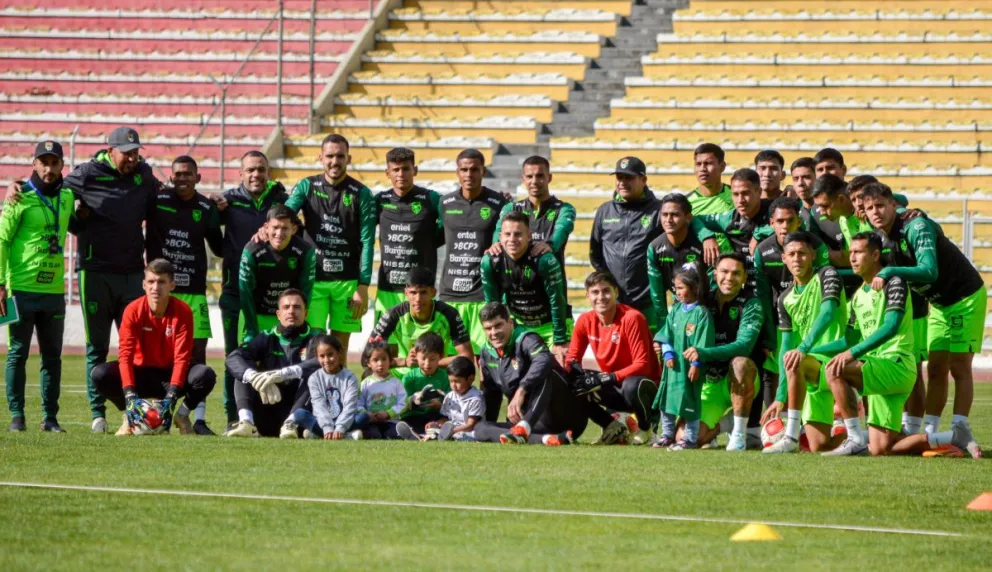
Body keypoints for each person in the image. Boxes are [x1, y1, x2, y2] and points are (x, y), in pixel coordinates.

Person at [6, 127, 164, 433]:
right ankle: (97, 414)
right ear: (111, 150)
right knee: (96, 347)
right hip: (93, 273)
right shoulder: (87, 173)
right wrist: (18, 186)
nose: (132, 158)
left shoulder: (144, 174)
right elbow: (48, 186)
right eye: (127, 153)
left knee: (137, 345)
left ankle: (138, 410)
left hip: (133, 273)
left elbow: (165, 195)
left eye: (136, 153)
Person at [862, 183, 985, 458]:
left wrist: (891, 269)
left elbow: (929, 271)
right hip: (939, 303)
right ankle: (931, 432)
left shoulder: (915, 226)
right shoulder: (880, 234)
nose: (875, 212)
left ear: (894, 205)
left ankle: (961, 428)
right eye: (870, 208)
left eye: (881, 205)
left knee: (959, 365)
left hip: (964, 297)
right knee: (936, 366)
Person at [812, 233, 917, 456]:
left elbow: (891, 328)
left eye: (858, 252)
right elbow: (848, 341)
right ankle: (948, 439)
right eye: (851, 253)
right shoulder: (858, 297)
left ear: (876, 254)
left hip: (896, 364)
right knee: (882, 448)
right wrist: (808, 350)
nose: (852, 258)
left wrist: (851, 353)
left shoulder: (895, 282)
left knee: (834, 369)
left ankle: (854, 438)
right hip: (878, 367)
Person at [92, 259, 217, 436]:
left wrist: (172, 396)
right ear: (144, 284)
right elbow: (125, 355)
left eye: (161, 282)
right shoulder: (132, 310)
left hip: (168, 376)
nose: (155, 287)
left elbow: (182, 358)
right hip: (140, 375)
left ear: (172, 285)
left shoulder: (183, 311)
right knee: (99, 374)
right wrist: (129, 395)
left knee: (205, 375)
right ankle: (130, 416)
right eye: (151, 282)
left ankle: (181, 416)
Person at [1, 140, 75, 432]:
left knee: (52, 357)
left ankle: (50, 418)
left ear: (61, 165)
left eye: (54, 162)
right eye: (43, 162)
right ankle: (17, 417)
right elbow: (3, 241)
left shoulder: (67, 196)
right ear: (34, 164)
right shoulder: (18, 197)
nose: (48, 168)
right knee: (17, 353)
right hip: (19, 289)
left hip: (54, 291)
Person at [216, 150, 293, 427]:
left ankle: (276, 417)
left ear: (268, 172)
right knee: (233, 357)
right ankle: (232, 418)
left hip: (271, 298)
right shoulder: (229, 201)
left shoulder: (281, 201)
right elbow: (211, 233)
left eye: (261, 169)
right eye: (250, 170)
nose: (256, 175)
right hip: (235, 294)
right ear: (240, 173)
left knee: (277, 357)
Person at [283, 134, 375, 345]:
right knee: (314, 345)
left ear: (348, 159)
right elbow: (285, 215)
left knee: (339, 347)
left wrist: (363, 285)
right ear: (321, 157)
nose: (335, 161)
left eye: (340, 156)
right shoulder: (307, 186)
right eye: (330, 156)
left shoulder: (362, 193)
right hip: (314, 279)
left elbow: (367, 241)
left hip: (348, 282)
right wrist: (268, 227)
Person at [762, 232, 849, 454]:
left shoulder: (827, 275)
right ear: (784, 259)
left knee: (795, 360)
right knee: (819, 445)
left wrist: (802, 349)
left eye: (802, 253)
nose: (797, 258)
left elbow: (828, 313)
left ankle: (790, 436)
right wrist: (780, 397)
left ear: (812, 255)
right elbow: (785, 346)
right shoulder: (784, 299)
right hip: (809, 369)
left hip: (835, 361)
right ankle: (862, 438)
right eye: (791, 254)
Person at [753, 197, 830, 425]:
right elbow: (764, 295)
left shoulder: (815, 246)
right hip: (782, 317)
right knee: (774, 367)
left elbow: (822, 284)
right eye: (779, 221)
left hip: (811, 317)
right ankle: (775, 423)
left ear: (799, 221)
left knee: (806, 367)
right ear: (771, 222)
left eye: (790, 221)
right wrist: (767, 334)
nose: (785, 226)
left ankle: (809, 421)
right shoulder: (763, 250)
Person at [564, 271, 659, 445]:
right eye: (595, 292)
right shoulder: (585, 321)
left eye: (606, 291)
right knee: (573, 381)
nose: (601, 297)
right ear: (587, 296)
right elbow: (572, 358)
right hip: (614, 385)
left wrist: (607, 377)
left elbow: (642, 365)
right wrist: (571, 372)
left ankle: (647, 429)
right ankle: (612, 426)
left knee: (631, 385)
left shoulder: (632, 318)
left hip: (645, 389)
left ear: (616, 292)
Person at [473, 302, 587, 446]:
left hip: (565, 415)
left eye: (498, 325)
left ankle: (524, 428)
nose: (493, 333)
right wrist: (490, 425)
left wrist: (522, 390)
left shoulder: (526, 338)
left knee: (546, 370)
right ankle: (548, 439)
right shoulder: (486, 352)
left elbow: (543, 360)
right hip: (535, 424)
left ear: (510, 322)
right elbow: (492, 394)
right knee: (480, 429)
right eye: (488, 328)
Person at [224, 288, 321, 438]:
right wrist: (255, 377)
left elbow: (323, 362)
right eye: (286, 307)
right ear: (278, 314)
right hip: (268, 406)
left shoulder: (317, 338)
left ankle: (291, 423)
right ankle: (246, 423)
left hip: (301, 414)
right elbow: (233, 358)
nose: (291, 311)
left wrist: (282, 374)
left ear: (306, 313)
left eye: (297, 307)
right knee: (244, 372)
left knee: (314, 376)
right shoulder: (266, 337)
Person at [691, 253, 764, 450]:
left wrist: (704, 353)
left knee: (740, 362)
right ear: (715, 274)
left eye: (736, 273)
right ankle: (726, 425)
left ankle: (739, 435)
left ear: (745, 278)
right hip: (712, 382)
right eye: (724, 272)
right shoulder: (704, 300)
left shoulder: (752, 303)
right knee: (690, 438)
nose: (729, 278)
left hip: (742, 378)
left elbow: (743, 346)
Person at [438, 148, 508, 351]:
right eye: (464, 169)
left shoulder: (498, 204)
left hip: (482, 294)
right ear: (457, 172)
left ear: (483, 171)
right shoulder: (445, 203)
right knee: (451, 361)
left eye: (474, 169)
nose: (469, 174)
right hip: (450, 294)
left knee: (486, 358)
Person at [480, 211, 569, 357]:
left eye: (518, 234)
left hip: (551, 326)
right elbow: (492, 306)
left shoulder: (545, 260)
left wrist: (559, 340)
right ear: (500, 237)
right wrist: (495, 339)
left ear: (529, 236)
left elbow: (557, 301)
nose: (512, 239)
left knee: (559, 370)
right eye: (507, 234)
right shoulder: (490, 261)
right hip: (518, 325)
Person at [589, 156, 663, 331]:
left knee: (649, 355)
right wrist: (609, 289)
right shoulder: (604, 211)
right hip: (614, 304)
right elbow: (595, 255)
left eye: (628, 178)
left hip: (647, 303)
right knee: (615, 356)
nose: (622, 182)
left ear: (643, 180)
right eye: (619, 178)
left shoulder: (658, 211)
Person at [374, 147, 444, 321]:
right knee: (383, 346)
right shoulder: (380, 201)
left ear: (415, 170)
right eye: (395, 169)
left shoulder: (431, 199)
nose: (401, 174)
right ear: (387, 173)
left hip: (420, 291)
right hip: (388, 288)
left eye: (406, 168)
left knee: (422, 345)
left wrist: (427, 243)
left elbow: (449, 227)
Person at [367, 266, 474, 376]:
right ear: (406, 293)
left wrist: (427, 363)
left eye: (423, 292)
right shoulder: (393, 314)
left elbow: (467, 357)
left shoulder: (449, 313)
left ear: (433, 292)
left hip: (437, 376)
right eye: (413, 293)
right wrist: (404, 361)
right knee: (368, 376)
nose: (418, 299)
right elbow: (367, 358)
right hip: (404, 376)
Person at [652, 269, 714, 450]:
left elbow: (705, 342)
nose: (677, 292)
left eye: (681, 288)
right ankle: (667, 435)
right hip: (673, 369)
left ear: (694, 288)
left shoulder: (701, 313)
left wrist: (696, 364)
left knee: (690, 400)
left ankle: (690, 439)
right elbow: (666, 334)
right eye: (675, 288)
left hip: (689, 368)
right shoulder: (676, 310)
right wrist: (668, 353)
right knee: (667, 400)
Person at [239, 204, 316, 343]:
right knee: (252, 361)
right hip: (256, 315)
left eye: (285, 228)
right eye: (275, 227)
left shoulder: (305, 251)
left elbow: (306, 291)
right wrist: (251, 328)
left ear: (294, 229)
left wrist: (298, 321)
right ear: (266, 227)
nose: (279, 233)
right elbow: (245, 292)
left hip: (288, 316)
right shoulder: (252, 250)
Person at [490, 155, 576, 267]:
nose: (534, 181)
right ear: (523, 179)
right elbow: (499, 231)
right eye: (529, 176)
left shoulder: (564, 209)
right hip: (514, 280)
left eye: (539, 176)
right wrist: (496, 244)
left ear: (549, 178)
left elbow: (562, 230)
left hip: (551, 280)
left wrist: (550, 245)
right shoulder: (511, 208)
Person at [646, 192, 708, 331]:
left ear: (688, 217)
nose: (668, 220)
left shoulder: (702, 244)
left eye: (674, 215)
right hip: (679, 306)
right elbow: (657, 293)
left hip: (706, 308)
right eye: (664, 214)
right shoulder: (655, 247)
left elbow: (711, 282)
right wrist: (663, 324)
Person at [692, 168, 769, 269]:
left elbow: (790, 220)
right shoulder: (729, 219)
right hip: (741, 279)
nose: (740, 200)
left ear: (759, 192)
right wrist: (707, 237)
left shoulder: (775, 209)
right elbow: (693, 219)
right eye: (735, 194)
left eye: (745, 193)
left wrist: (759, 234)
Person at [290, 334, 359, 440]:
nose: (326, 360)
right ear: (317, 357)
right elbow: (319, 405)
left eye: (330, 354)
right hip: (322, 422)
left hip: (345, 421)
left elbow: (350, 405)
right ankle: (346, 436)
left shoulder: (350, 378)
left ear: (339, 353)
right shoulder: (314, 378)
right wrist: (327, 427)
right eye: (322, 356)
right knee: (299, 414)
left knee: (364, 417)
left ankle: (318, 434)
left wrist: (340, 427)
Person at [396, 332, 450, 436]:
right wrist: (414, 400)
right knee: (406, 422)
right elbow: (401, 406)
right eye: (423, 358)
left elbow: (451, 401)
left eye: (432, 359)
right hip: (414, 415)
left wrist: (440, 405)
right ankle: (418, 433)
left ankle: (434, 430)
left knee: (445, 420)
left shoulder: (445, 377)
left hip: (435, 416)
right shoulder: (409, 378)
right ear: (416, 355)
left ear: (441, 356)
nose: (427, 363)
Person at [354, 340, 406, 440]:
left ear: (390, 361)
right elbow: (358, 403)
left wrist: (388, 413)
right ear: (368, 363)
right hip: (371, 422)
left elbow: (403, 404)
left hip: (391, 422)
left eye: (384, 359)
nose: (380, 363)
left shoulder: (396, 382)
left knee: (393, 435)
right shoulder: (365, 383)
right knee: (374, 435)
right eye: (376, 360)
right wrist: (367, 414)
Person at [434, 356, 485, 441]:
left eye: (457, 381)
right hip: (453, 432)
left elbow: (470, 425)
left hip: (469, 434)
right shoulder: (450, 396)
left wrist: (452, 431)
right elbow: (444, 418)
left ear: (470, 379)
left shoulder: (476, 399)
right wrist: (436, 424)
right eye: (451, 381)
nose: (453, 385)